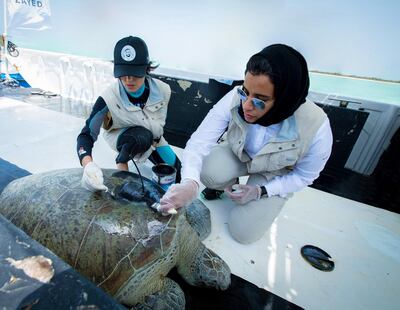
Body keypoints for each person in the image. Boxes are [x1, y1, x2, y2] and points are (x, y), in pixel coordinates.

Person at [159, 44, 333, 244]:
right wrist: (189, 183)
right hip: (239, 153)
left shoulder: (316, 127)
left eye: (260, 100)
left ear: (285, 100)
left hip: (274, 172)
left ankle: (252, 194)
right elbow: (199, 142)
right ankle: (229, 187)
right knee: (206, 170)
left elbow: (304, 176)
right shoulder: (236, 96)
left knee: (242, 234)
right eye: (245, 92)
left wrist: (262, 191)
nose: (246, 105)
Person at [77, 36, 181, 192]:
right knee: (141, 136)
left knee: (178, 173)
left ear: (147, 68)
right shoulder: (107, 98)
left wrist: (154, 145)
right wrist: (88, 164)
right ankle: (123, 163)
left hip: (153, 139)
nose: (128, 79)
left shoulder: (164, 90)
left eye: (135, 73)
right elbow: (86, 135)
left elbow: (155, 124)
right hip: (122, 135)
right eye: (123, 73)